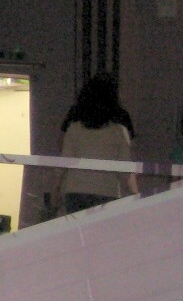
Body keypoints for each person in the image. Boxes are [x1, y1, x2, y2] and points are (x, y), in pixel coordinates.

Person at [53, 74, 138, 214]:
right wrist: (135, 194)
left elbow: (64, 160)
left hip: (75, 190)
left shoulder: (74, 124)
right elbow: (126, 167)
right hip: (106, 190)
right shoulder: (119, 128)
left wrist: (55, 188)